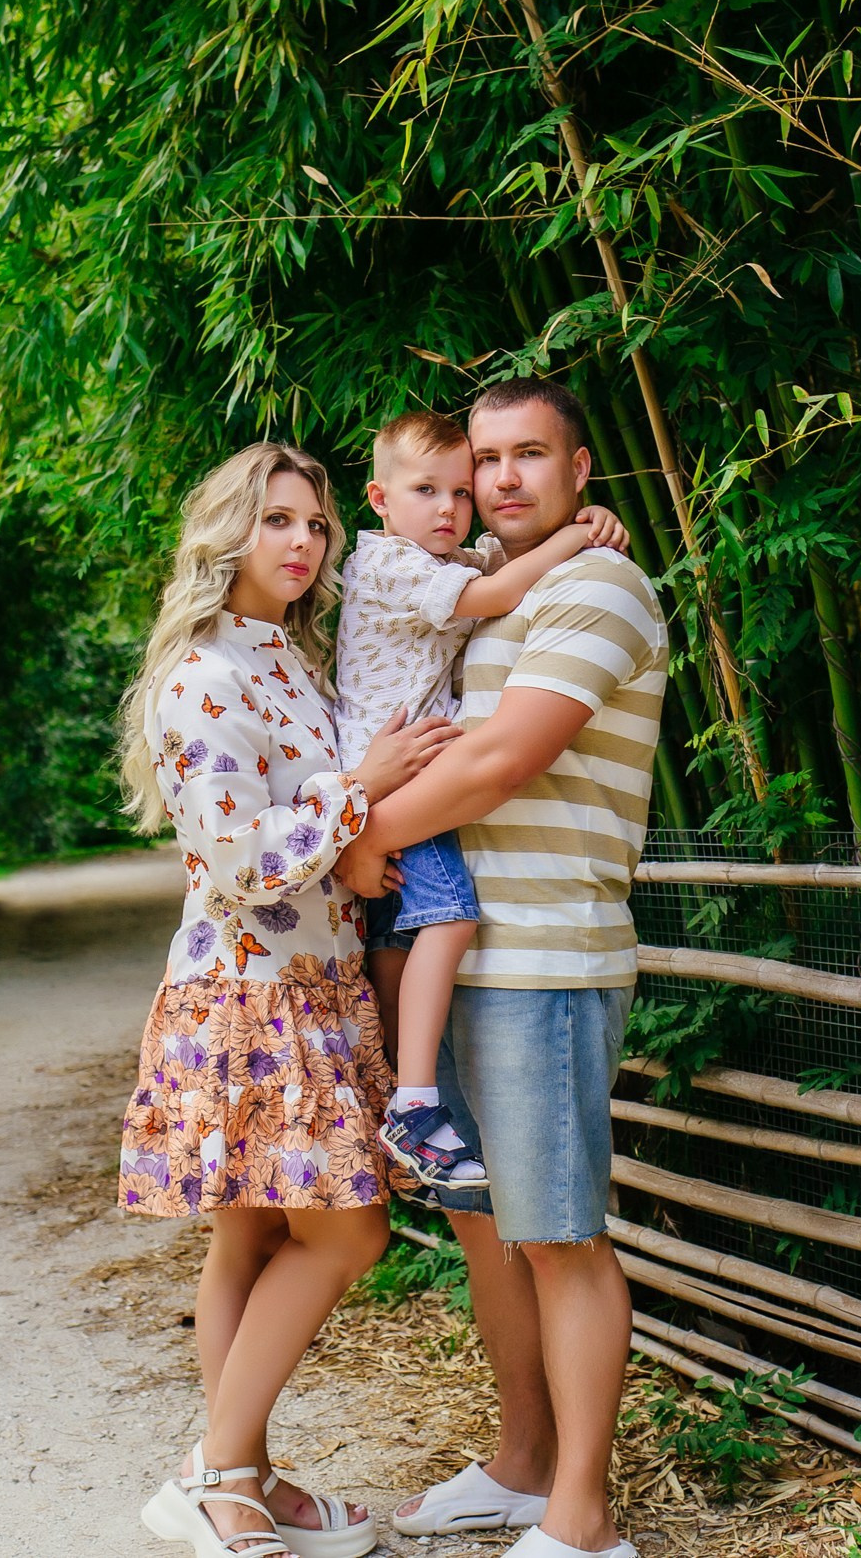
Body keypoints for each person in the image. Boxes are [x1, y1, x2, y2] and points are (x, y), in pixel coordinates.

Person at [335, 379, 666, 1558]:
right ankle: (525, 1463)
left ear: (582, 470)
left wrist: (360, 836)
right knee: (485, 1226)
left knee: (561, 1234)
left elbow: (504, 759)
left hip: (546, 955)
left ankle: (583, 1518)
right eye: (487, 458)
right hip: (462, 951)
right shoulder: (474, 598)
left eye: (533, 454)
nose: (504, 477)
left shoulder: (599, 585)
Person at [120, 441, 458, 1558]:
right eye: (276, 520)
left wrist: (353, 842)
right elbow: (236, 857)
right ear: (227, 534)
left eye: (313, 522)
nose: (303, 542)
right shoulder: (201, 674)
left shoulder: (293, 665)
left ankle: (241, 1476)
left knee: (251, 1236)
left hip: (316, 984)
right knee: (349, 1231)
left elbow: (315, 831)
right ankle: (218, 1470)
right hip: (246, 994)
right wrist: (357, 797)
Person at [333, 408, 626, 1190]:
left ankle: (401, 1079)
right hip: (401, 779)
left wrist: (580, 516)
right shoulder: (392, 566)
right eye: (426, 490)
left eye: (459, 493)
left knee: (398, 940)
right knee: (451, 916)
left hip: (400, 781)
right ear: (378, 499)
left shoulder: (430, 553)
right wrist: (575, 537)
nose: (450, 508)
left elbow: (492, 556)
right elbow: (493, 591)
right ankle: (415, 1103)